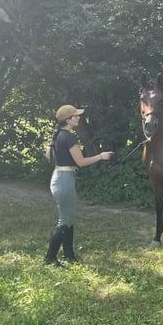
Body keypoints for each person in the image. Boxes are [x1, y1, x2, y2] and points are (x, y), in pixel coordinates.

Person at [44, 104, 114, 267]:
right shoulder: (68, 137)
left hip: (59, 177)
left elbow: (49, 156)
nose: (78, 118)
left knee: (69, 219)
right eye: (75, 116)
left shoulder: (58, 135)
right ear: (68, 120)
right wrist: (101, 156)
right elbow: (81, 162)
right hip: (64, 180)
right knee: (65, 220)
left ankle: (69, 254)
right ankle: (50, 258)